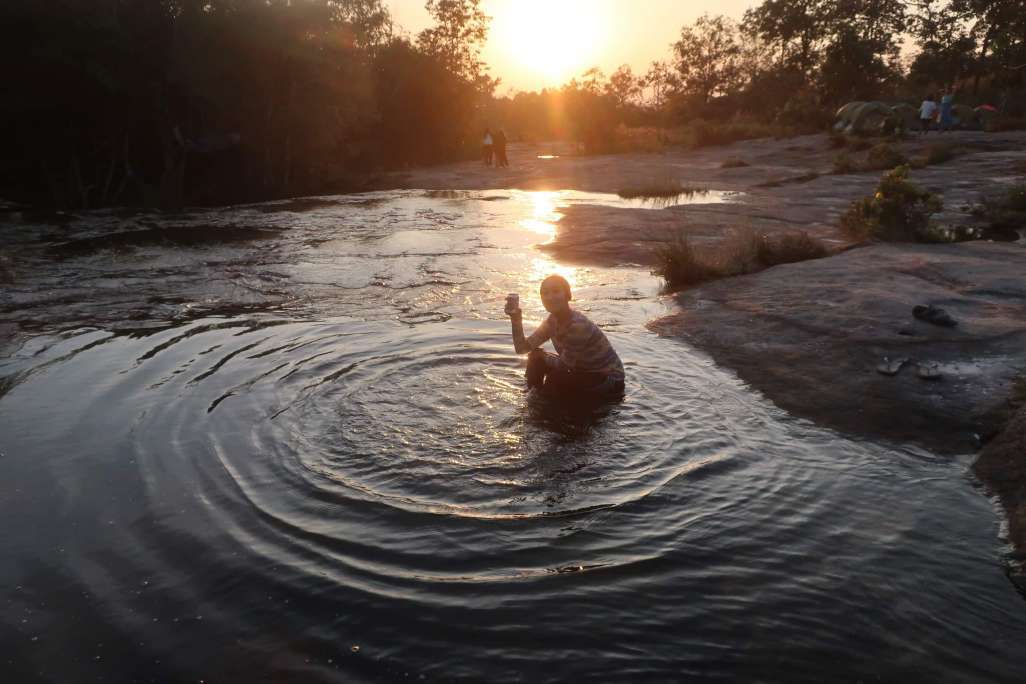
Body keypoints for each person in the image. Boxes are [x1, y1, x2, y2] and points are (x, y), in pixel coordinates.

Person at [506, 275, 625, 398]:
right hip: (582, 371)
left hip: (610, 380)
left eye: (556, 291)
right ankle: (531, 397)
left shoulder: (578, 325)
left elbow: (564, 366)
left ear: (567, 295)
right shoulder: (551, 322)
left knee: (557, 378)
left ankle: (543, 409)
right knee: (535, 358)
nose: (550, 297)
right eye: (545, 293)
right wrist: (516, 319)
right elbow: (522, 348)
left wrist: (543, 356)